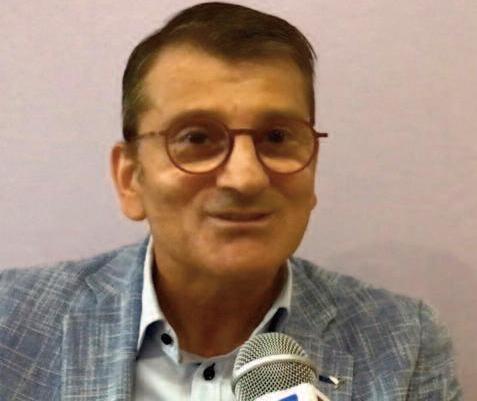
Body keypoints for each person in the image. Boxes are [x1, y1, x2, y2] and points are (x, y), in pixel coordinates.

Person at [0, 2, 462, 400]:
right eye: (196, 138)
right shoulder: (12, 321)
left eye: (276, 137)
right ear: (130, 179)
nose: (245, 177)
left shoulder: (404, 342)